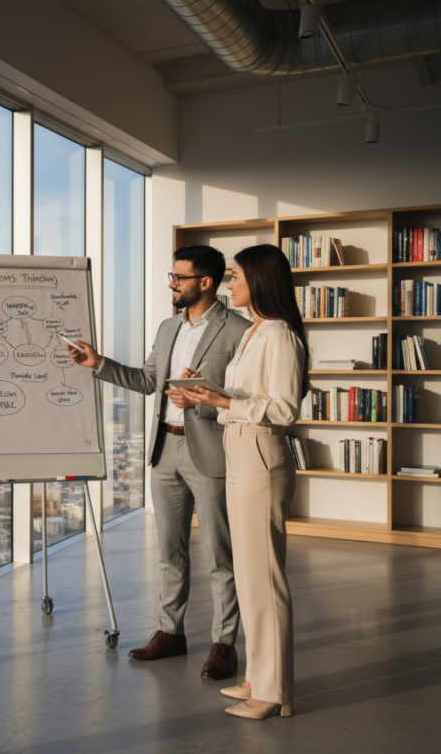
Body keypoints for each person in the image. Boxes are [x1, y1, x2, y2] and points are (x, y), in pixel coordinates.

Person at [69, 246, 251, 679]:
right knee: (170, 552)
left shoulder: (240, 330)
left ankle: (224, 644)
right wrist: (99, 363)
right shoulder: (168, 327)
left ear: (205, 283)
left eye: (178, 278)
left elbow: (246, 397)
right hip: (164, 450)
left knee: (220, 555)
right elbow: (149, 381)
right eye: (171, 277)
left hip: (210, 447)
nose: (171, 284)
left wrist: (203, 399)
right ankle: (171, 633)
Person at [176, 243, 309, 719]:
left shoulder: (279, 336)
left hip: (259, 453)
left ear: (259, 280)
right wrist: (211, 393)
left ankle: (274, 693)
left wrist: (227, 404)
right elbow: (250, 395)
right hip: (239, 450)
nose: (229, 284)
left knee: (265, 577)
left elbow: (284, 409)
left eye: (235, 277)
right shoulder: (255, 332)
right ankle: (259, 676)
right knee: (249, 575)